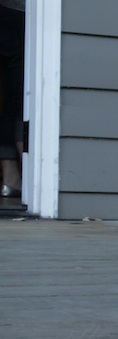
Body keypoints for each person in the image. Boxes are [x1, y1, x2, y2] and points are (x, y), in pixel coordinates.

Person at [0, 0, 24, 198]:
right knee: (26, 99)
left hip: (7, 12)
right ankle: (33, 178)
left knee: (11, 100)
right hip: (18, 12)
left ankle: (11, 180)